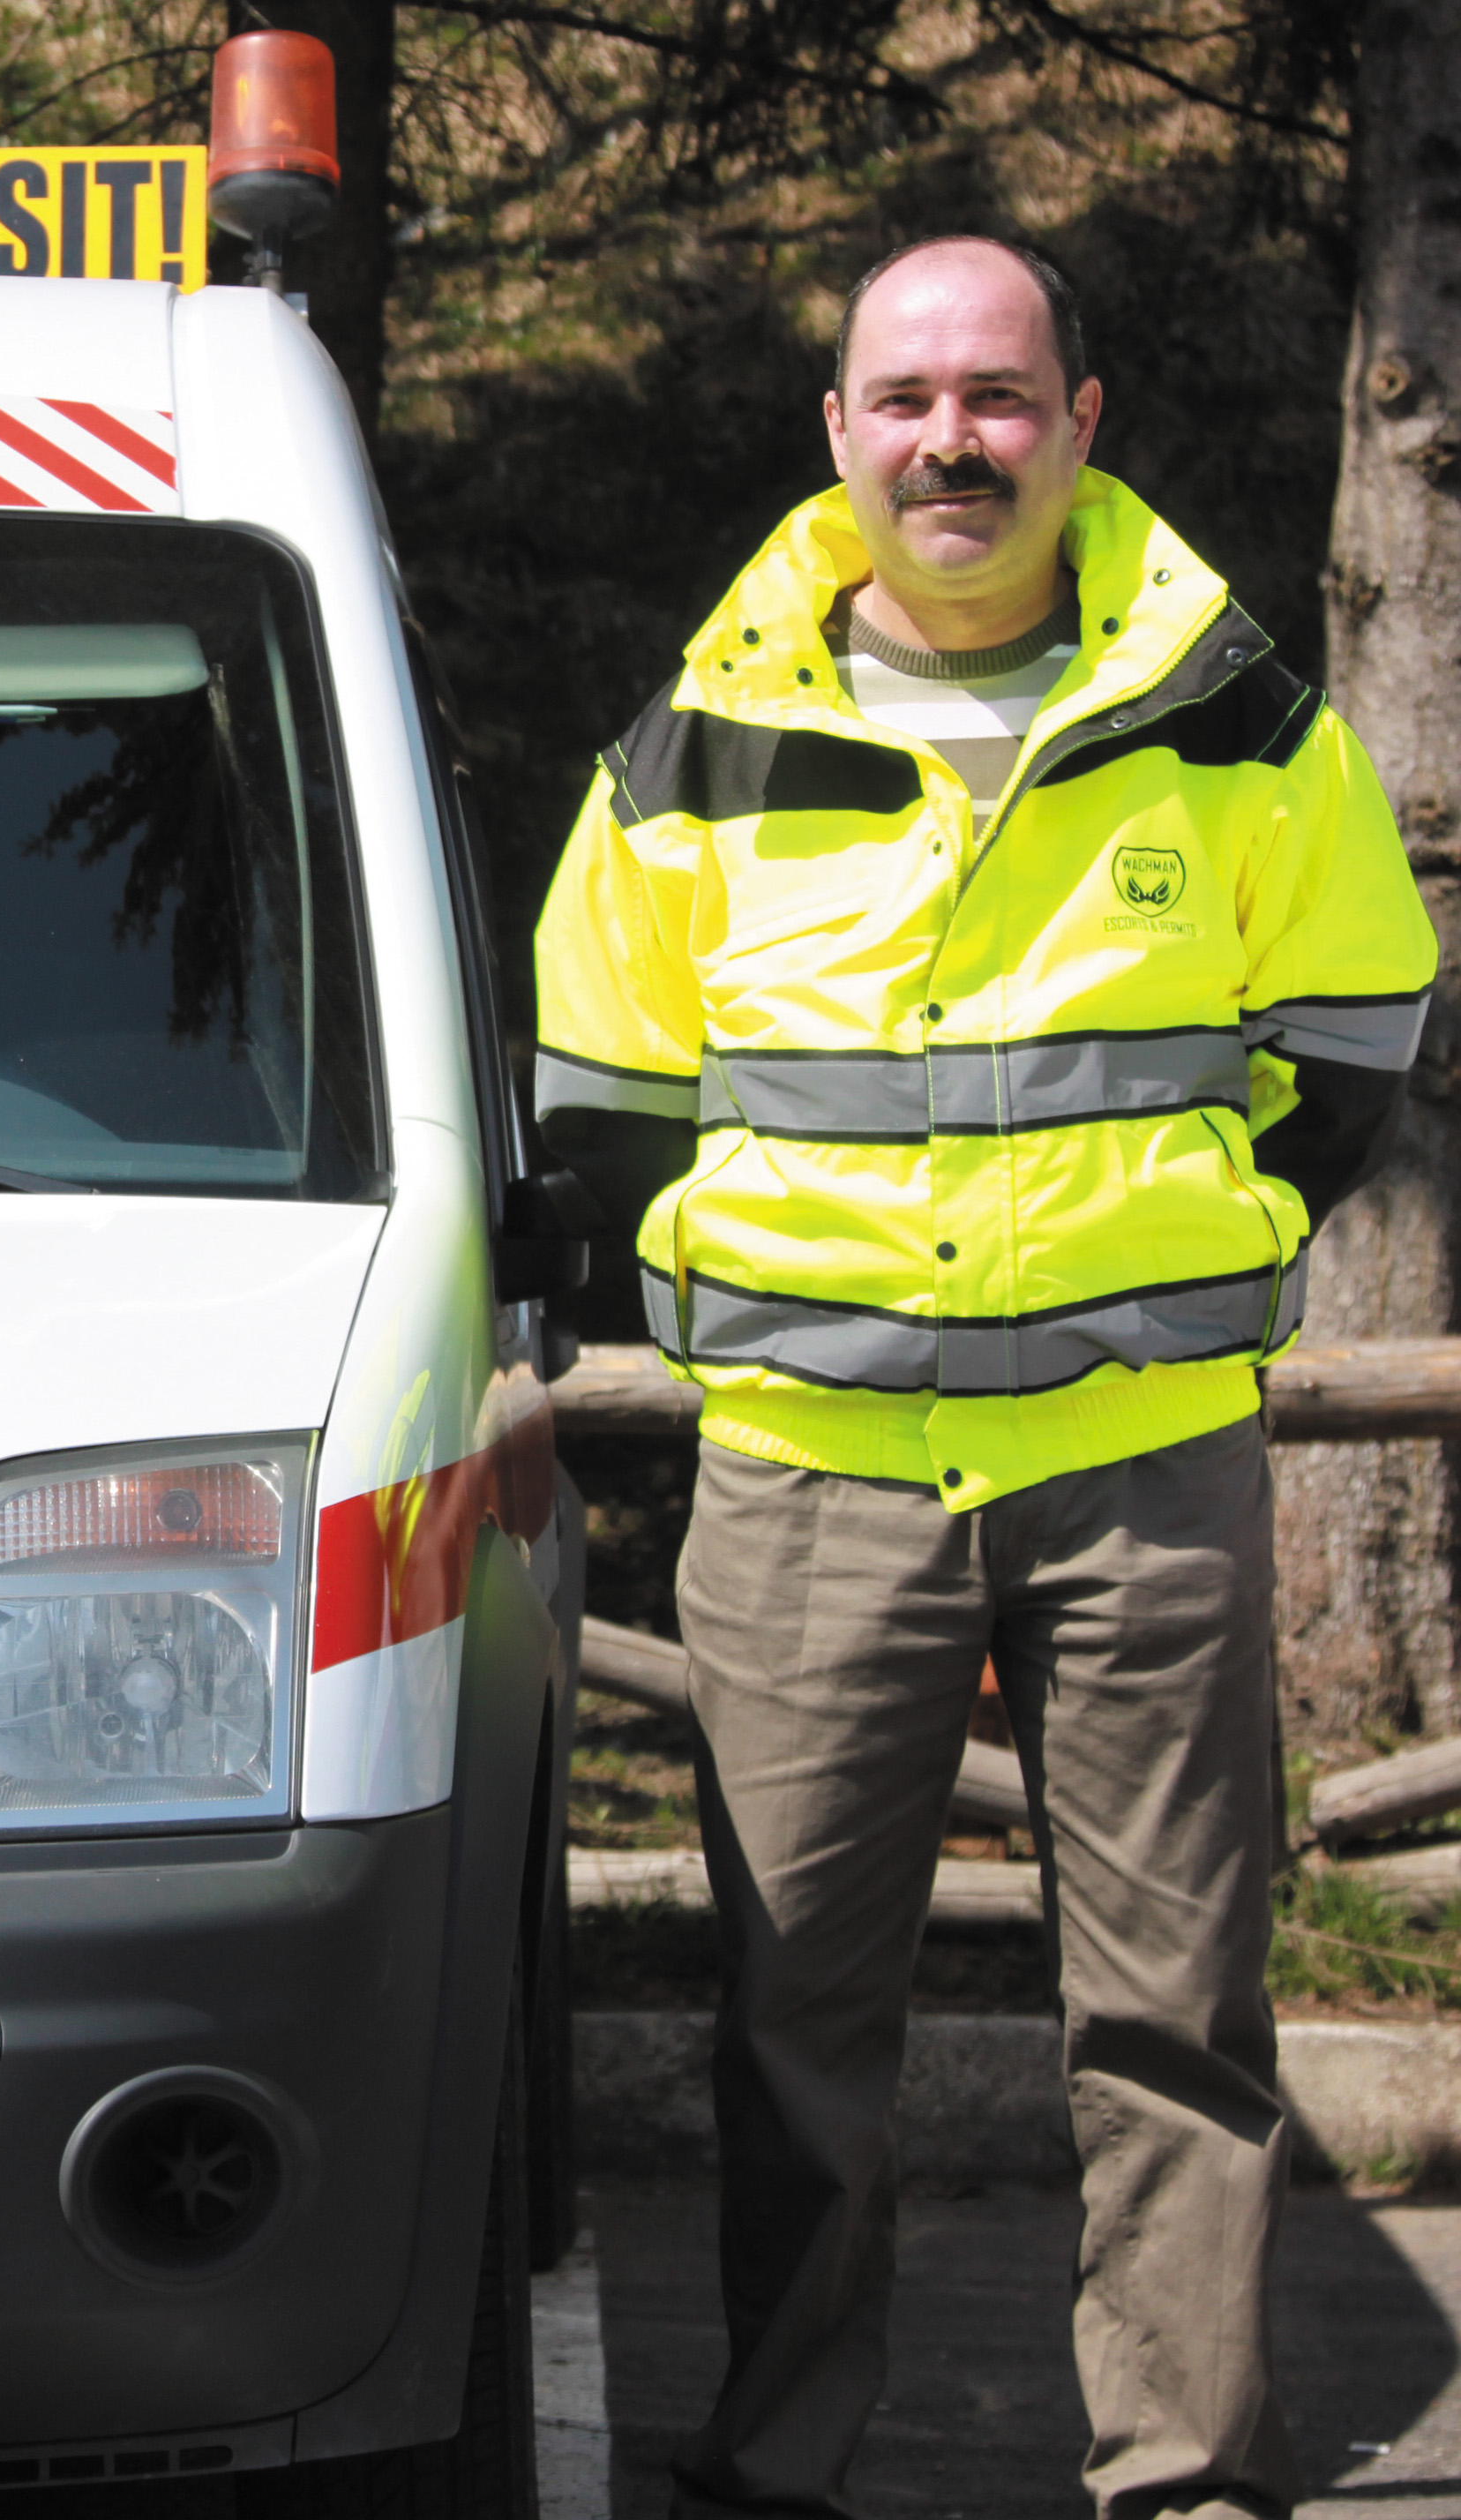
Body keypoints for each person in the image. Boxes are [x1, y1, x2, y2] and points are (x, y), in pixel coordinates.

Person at [531, 234, 1440, 2520]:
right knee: (793, 2031)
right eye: (909, 396)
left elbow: (1349, 1042)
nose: (955, 437)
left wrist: (1174, 1263)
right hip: (812, 1479)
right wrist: (777, 1317)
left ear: (1082, 422)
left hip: (1144, 1472)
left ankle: (1188, 2475)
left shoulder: (1237, 721)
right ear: (841, 436)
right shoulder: (695, 750)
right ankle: (784, 2464)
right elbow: (596, 1105)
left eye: (1000, 395)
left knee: (1177, 2028)